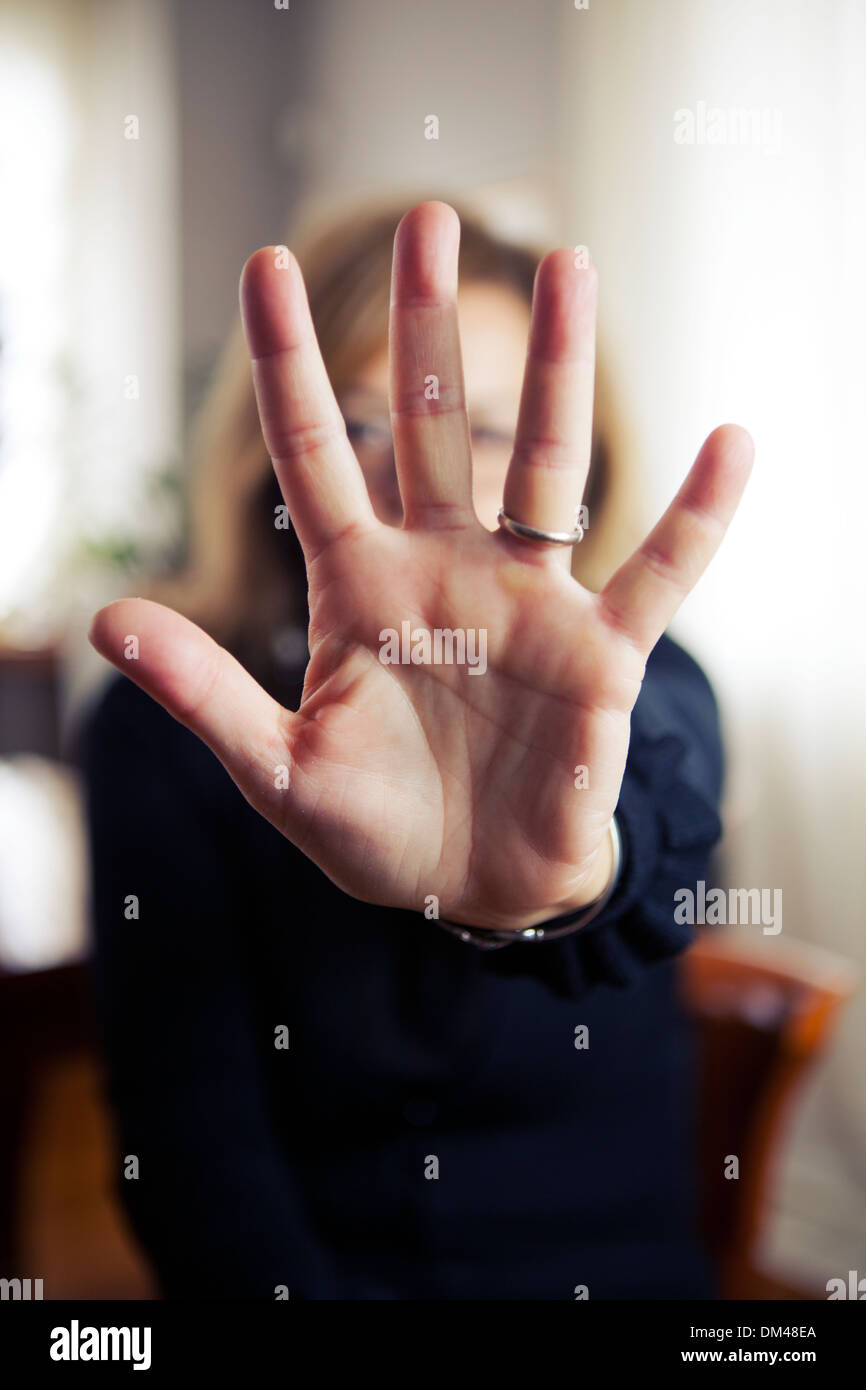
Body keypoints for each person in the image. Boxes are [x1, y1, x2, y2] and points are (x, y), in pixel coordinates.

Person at [82, 199, 753, 1300]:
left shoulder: (645, 687)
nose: (401, 472)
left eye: (477, 427)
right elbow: (190, 1140)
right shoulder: (170, 725)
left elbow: (655, 862)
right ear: (265, 463)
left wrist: (568, 876)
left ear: (574, 471)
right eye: (356, 422)